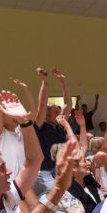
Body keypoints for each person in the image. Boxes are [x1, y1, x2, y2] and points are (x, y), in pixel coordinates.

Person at [33, 68, 73, 196]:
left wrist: (64, 84)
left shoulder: (60, 125)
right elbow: (42, 105)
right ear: (46, 115)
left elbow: (68, 104)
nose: (59, 113)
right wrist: (45, 82)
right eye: (56, 111)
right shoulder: (40, 126)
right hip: (45, 173)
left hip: (60, 171)